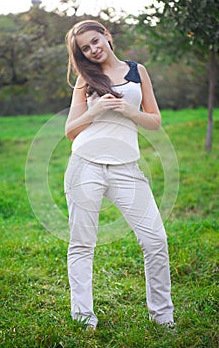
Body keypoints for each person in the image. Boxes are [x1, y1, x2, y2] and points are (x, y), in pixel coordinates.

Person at [64, 19, 174, 331]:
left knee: (156, 241)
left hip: (127, 168)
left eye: (95, 42)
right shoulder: (85, 79)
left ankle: (163, 318)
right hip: (86, 165)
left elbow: (154, 121)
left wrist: (129, 111)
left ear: (107, 36)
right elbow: (70, 131)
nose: (92, 50)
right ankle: (84, 316)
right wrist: (94, 111)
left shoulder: (137, 71)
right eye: (85, 48)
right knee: (82, 244)